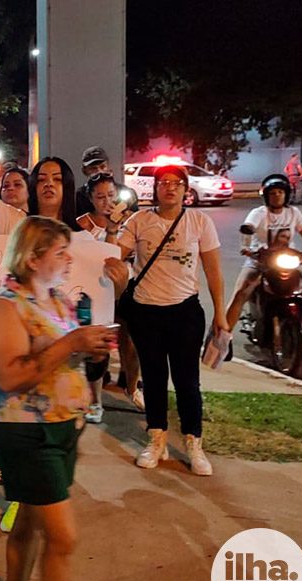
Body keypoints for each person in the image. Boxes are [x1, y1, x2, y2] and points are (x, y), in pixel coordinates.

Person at [0, 216, 115, 581]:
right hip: (25, 433)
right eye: (60, 252)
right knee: (62, 536)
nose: (68, 259)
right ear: (34, 257)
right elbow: (12, 375)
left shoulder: (55, 298)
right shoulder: (3, 310)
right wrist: (72, 342)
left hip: (59, 427)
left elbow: (57, 355)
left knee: (30, 525)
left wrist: (87, 349)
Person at [116, 163, 227, 476]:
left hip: (185, 312)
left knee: (187, 381)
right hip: (145, 311)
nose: (170, 187)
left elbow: (213, 271)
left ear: (185, 189)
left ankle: (194, 443)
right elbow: (116, 254)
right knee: (152, 379)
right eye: (163, 182)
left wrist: (220, 313)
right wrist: (112, 228)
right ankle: (157, 439)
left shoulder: (199, 222)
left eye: (176, 183)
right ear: (154, 188)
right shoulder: (139, 220)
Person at [223, 174, 302, 360]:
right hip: (260, 261)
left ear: (287, 194)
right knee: (241, 293)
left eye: (280, 192)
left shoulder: (294, 213)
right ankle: (223, 338)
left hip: (287, 261)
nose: (277, 196)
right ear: (266, 196)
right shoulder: (259, 213)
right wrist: (246, 247)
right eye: (272, 193)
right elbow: (248, 228)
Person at [74, 173, 142, 422]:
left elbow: (125, 257)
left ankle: (133, 387)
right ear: (90, 199)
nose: (107, 202)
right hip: (94, 293)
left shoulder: (131, 222)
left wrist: (117, 230)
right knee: (96, 346)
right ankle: (95, 400)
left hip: (123, 290)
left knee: (130, 342)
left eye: (111, 195)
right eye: (100, 197)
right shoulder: (81, 225)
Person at [75, 146, 112, 217]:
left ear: (108, 166)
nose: (99, 171)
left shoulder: (125, 192)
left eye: (102, 167)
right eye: (93, 168)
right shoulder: (77, 198)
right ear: (84, 171)